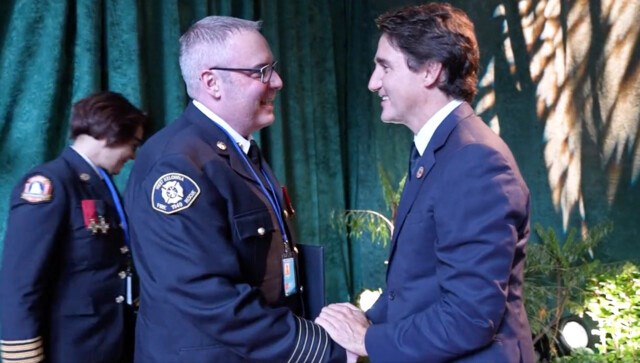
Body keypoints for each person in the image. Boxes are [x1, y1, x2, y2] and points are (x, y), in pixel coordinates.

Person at [315, 3, 536, 362]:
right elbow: (419, 289)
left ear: (430, 71)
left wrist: (368, 340)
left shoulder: (474, 160)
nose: (373, 83)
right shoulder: (441, 150)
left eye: (385, 66)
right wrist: (363, 323)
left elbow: (470, 317)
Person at [124, 16, 345, 362]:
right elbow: (209, 298)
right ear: (212, 82)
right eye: (260, 72)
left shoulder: (234, 150)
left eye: (273, 68)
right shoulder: (178, 165)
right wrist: (320, 348)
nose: (277, 82)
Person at [0, 91, 147, 363]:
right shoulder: (48, 184)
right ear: (111, 132)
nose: (133, 156)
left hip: (108, 340)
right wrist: (23, 356)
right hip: (69, 346)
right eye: (133, 144)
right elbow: (20, 282)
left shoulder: (97, 183)